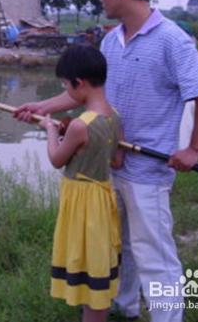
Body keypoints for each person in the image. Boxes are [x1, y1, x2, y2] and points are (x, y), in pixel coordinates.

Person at [15, 0, 198, 322]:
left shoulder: (172, 39)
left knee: (153, 252)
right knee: (119, 247)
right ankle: (124, 309)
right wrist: (41, 105)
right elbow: (85, 94)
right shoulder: (111, 41)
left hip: (148, 171)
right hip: (111, 166)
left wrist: (193, 149)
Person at [39, 45, 123, 322]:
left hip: (82, 206)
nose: (67, 91)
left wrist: (52, 131)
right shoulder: (114, 117)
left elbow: (56, 158)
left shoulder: (79, 126)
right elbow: (117, 161)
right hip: (102, 198)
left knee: (87, 270)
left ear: (79, 83)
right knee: (97, 264)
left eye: (66, 85)